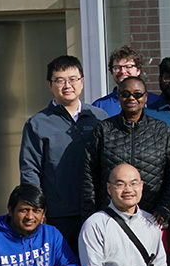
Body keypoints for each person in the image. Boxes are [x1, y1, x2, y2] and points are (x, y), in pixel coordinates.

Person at [20, 55, 107, 251]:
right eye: (60, 80)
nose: (67, 85)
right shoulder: (37, 123)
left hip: (97, 210)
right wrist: (36, 209)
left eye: (73, 79)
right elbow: (30, 170)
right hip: (59, 213)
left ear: (82, 82)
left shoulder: (99, 118)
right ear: (50, 85)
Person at [81, 76, 170, 224]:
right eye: (125, 94)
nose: (131, 98)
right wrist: (92, 215)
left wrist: (165, 209)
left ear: (145, 97)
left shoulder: (162, 132)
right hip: (110, 218)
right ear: (119, 98)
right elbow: (88, 176)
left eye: (137, 94)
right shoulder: (103, 130)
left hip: (152, 219)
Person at [92, 45, 160, 116]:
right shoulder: (100, 106)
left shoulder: (155, 102)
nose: (122, 71)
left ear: (138, 70)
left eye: (128, 67)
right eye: (117, 67)